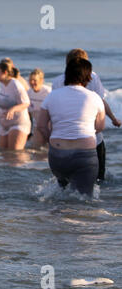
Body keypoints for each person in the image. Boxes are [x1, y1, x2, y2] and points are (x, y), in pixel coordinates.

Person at [37, 58, 106, 197]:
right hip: (84, 156)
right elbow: (100, 126)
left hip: (57, 155)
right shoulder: (94, 97)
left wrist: (51, 138)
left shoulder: (52, 96)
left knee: (61, 193)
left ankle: (56, 217)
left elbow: (41, 125)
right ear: (88, 77)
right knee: (83, 199)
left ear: (67, 74)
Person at [51, 48, 121, 181]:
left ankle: (63, 201)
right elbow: (101, 101)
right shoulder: (93, 77)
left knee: (65, 181)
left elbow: (55, 109)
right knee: (97, 180)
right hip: (91, 140)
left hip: (63, 139)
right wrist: (113, 118)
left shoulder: (57, 81)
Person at [0, 59, 31, 150]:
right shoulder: (4, 84)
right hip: (5, 125)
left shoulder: (15, 84)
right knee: (4, 154)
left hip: (18, 124)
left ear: (5, 72)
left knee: (15, 156)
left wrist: (12, 109)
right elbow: (6, 101)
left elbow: (26, 103)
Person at [27, 68, 51, 149]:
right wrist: (29, 131)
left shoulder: (48, 92)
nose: (32, 82)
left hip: (49, 126)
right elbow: (29, 115)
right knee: (37, 148)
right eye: (30, 80)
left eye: (34, 80)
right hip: (37, 126)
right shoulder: (29, 93)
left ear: (41, 80)